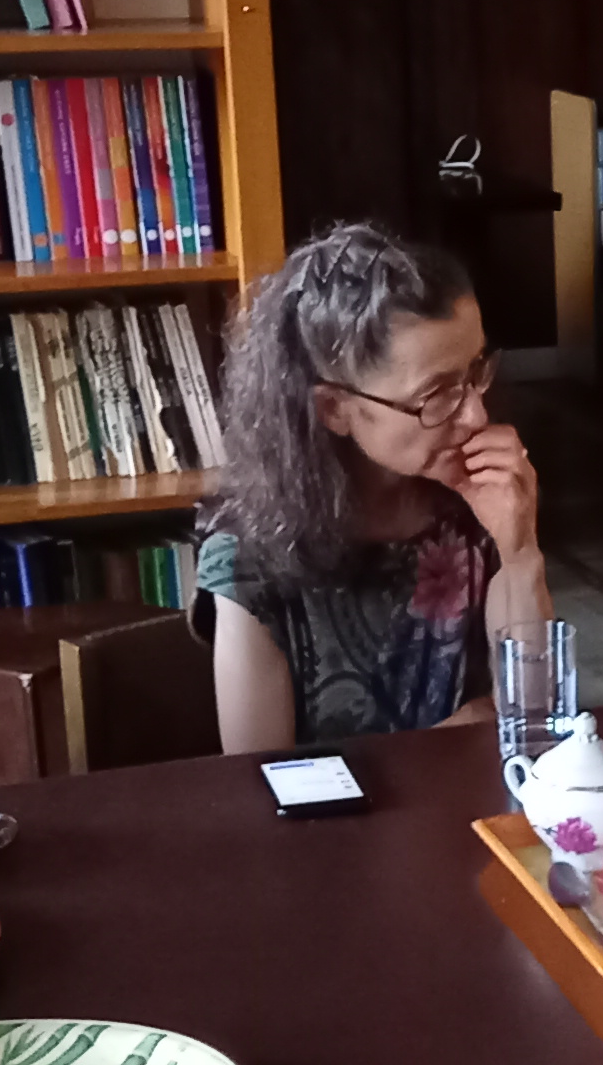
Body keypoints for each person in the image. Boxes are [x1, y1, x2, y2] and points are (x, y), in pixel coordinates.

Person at [200, 221, 549, 751]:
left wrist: (520, 552)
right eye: (437, 394)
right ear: (335, 408)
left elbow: (535, 721)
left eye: (476, 371)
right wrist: (457, 731)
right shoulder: (249, 560)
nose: (476, 415)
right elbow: (266, 784)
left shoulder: (474, 499)